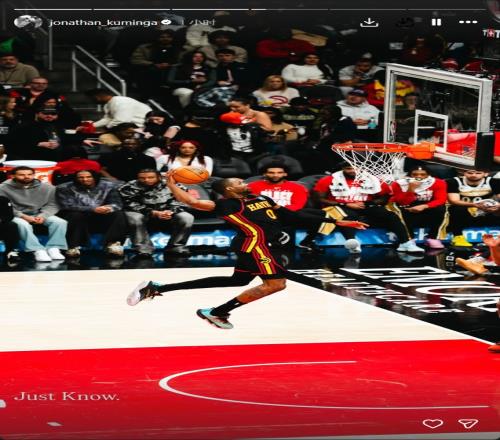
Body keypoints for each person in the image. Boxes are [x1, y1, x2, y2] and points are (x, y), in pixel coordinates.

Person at [127, 174, 367, 329]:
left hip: (259, 245)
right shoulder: (227, 204)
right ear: (230, 190)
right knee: (276, 284)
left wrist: (337, 221)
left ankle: (157, 288)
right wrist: (171, 184)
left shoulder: (263, 198)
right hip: (256, 246)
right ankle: (217, 312)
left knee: (237, 281)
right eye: (239, 182)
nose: (246, 183)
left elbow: (293, 216)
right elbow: (193, 203)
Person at [301, 163, 424, 254]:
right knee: (348, 216)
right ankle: (352, 244)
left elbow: (385, 197)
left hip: (365, 205)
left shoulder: (372, 179)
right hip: (340, 206)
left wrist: (368, 203)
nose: (352, 171)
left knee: (390, 214)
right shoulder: (329, 180)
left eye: (355, 168)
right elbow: (319, 199)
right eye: (348, 168)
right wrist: (345, 204)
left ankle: (405, 243)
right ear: (342, 169)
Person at [119, 169, 194, 257]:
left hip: (168, 213)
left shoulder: (173, 184)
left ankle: (176, 247)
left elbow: (184, 201)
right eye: (142, 178)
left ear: (159, 177)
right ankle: (143, 249)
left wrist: (170, 212)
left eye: (151, 177)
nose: (146, 180)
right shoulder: (128, 187)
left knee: (187, 217)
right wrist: (153, 212)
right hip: (142, 213)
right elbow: (129, 204)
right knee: (134, 217)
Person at [0, 166, 67, 262]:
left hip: (39, 213)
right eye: (22, 175)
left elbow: (53, 204)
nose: (26, 177)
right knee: (23, 224)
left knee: (60, 222)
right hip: (15, 214)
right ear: (13, 176)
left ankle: (54, 248)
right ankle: (37, 250)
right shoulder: (2, 188)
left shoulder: (48, 187)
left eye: (29, 174)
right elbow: (4, 206)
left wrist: (43, 216)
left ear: (34, 175)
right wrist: (22, 216)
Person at [56, 170, 127, 258]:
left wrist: (108, 208)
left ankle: (113, 245)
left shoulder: (108, 186)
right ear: (76, 179)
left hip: (101, 216)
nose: (85, 179)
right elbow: (66, 205)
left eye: (88, 177)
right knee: (75, 215)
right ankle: (72, 246)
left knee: (118, 214)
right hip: (80, 216)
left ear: (94, 177)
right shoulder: (64, 187)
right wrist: (92, 209)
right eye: (81, 177)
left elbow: (117, 204)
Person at [390, 166, 448, 249]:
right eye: (415, 174)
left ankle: (433, 238)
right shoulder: (398, 184)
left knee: (442, 209)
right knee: (400, 211)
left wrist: (424, 206)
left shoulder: (439, 182)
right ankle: (409, 240)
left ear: (428, 175)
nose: (419, 176)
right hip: (408, 206)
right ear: (409, 175)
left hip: (426, 206)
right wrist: (411, 189)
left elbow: (441, 199)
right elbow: (402, 202)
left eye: (422, 174)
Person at [446, 169, 500, 247]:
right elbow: (454, 201)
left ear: (485, 173)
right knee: (457, 208)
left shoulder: (494, 182)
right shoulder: (453, 182)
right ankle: (458, 236)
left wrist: (498, 206)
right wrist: (474, 205)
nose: (474, 175)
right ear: (464, 173)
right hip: (463, 212)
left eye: (478, 173)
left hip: (486, 211)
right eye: (470, 173)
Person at [82, 89, 152, 129]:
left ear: (97, 97)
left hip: (141, 127)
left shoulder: (121, 102)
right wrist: (92, 126)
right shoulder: (108, 104)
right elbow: (108, 119)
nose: (91, 101)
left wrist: (106, 129)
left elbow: (122, 120)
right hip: (128, 127)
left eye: (91, 99)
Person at [0, 195, 21, 262]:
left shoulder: (4, 199)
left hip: (1, 223)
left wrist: (1, 219)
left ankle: (10, 251)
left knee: (12, 225)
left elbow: (9, 215)